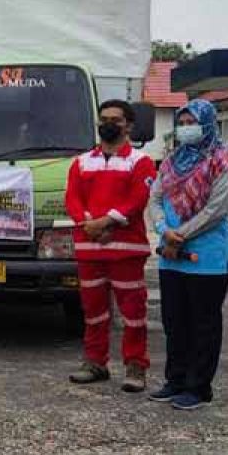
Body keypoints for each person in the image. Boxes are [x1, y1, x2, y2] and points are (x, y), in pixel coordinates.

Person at [147, 99, 228, 410]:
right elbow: (155, 197)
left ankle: (198, 387)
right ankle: (175, 380)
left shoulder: (223, 161)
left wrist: (181, 235)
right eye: (182, 122)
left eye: (192, 122)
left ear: (208, 123)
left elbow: (217, 210)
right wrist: (163, 230)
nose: (186, 128)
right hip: (170, 252)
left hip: (207, 256)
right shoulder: (173, 159)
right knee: (174, 321)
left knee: (203, 322)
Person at [65, 100, 156, 392]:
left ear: (129, 125)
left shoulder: (140, 161)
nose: (109, 124)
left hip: (126, 249)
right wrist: (89, 224)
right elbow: (73, 199)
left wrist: (106, 222)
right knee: (93, 311)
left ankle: (135, 366)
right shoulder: (81, 162)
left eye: (116, 120)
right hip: (90, 248)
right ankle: (95, 362)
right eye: (104, 119)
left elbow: (137, 200)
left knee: (133, 313)